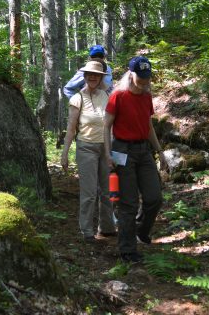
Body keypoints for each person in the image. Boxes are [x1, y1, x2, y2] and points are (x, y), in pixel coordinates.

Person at [103, 56, 168, 263]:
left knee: (154, 197)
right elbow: (106, 126)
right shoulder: (118, 96)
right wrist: (107, 154)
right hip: (122, 150)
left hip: (143, 150)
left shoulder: (146, 98)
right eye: (140, 77)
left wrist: (160, 151)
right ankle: (127, 250)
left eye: (147, 77)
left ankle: (141, 230)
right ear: (131, 74)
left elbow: (148, 126)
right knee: (128, 203)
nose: (144, 81)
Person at [61, 61, 117, 242]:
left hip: (105, 147)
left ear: (101, 77)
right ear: (84, 76)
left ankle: (107, 228)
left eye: (96, 74)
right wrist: (65, 153)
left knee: (107, 191)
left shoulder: (107, 96)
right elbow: (71, 128)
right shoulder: (77, 98)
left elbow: (111, 125)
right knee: (89, 192)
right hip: (86, 148)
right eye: (89, 74)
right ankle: (86, 230)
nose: (92, 77)